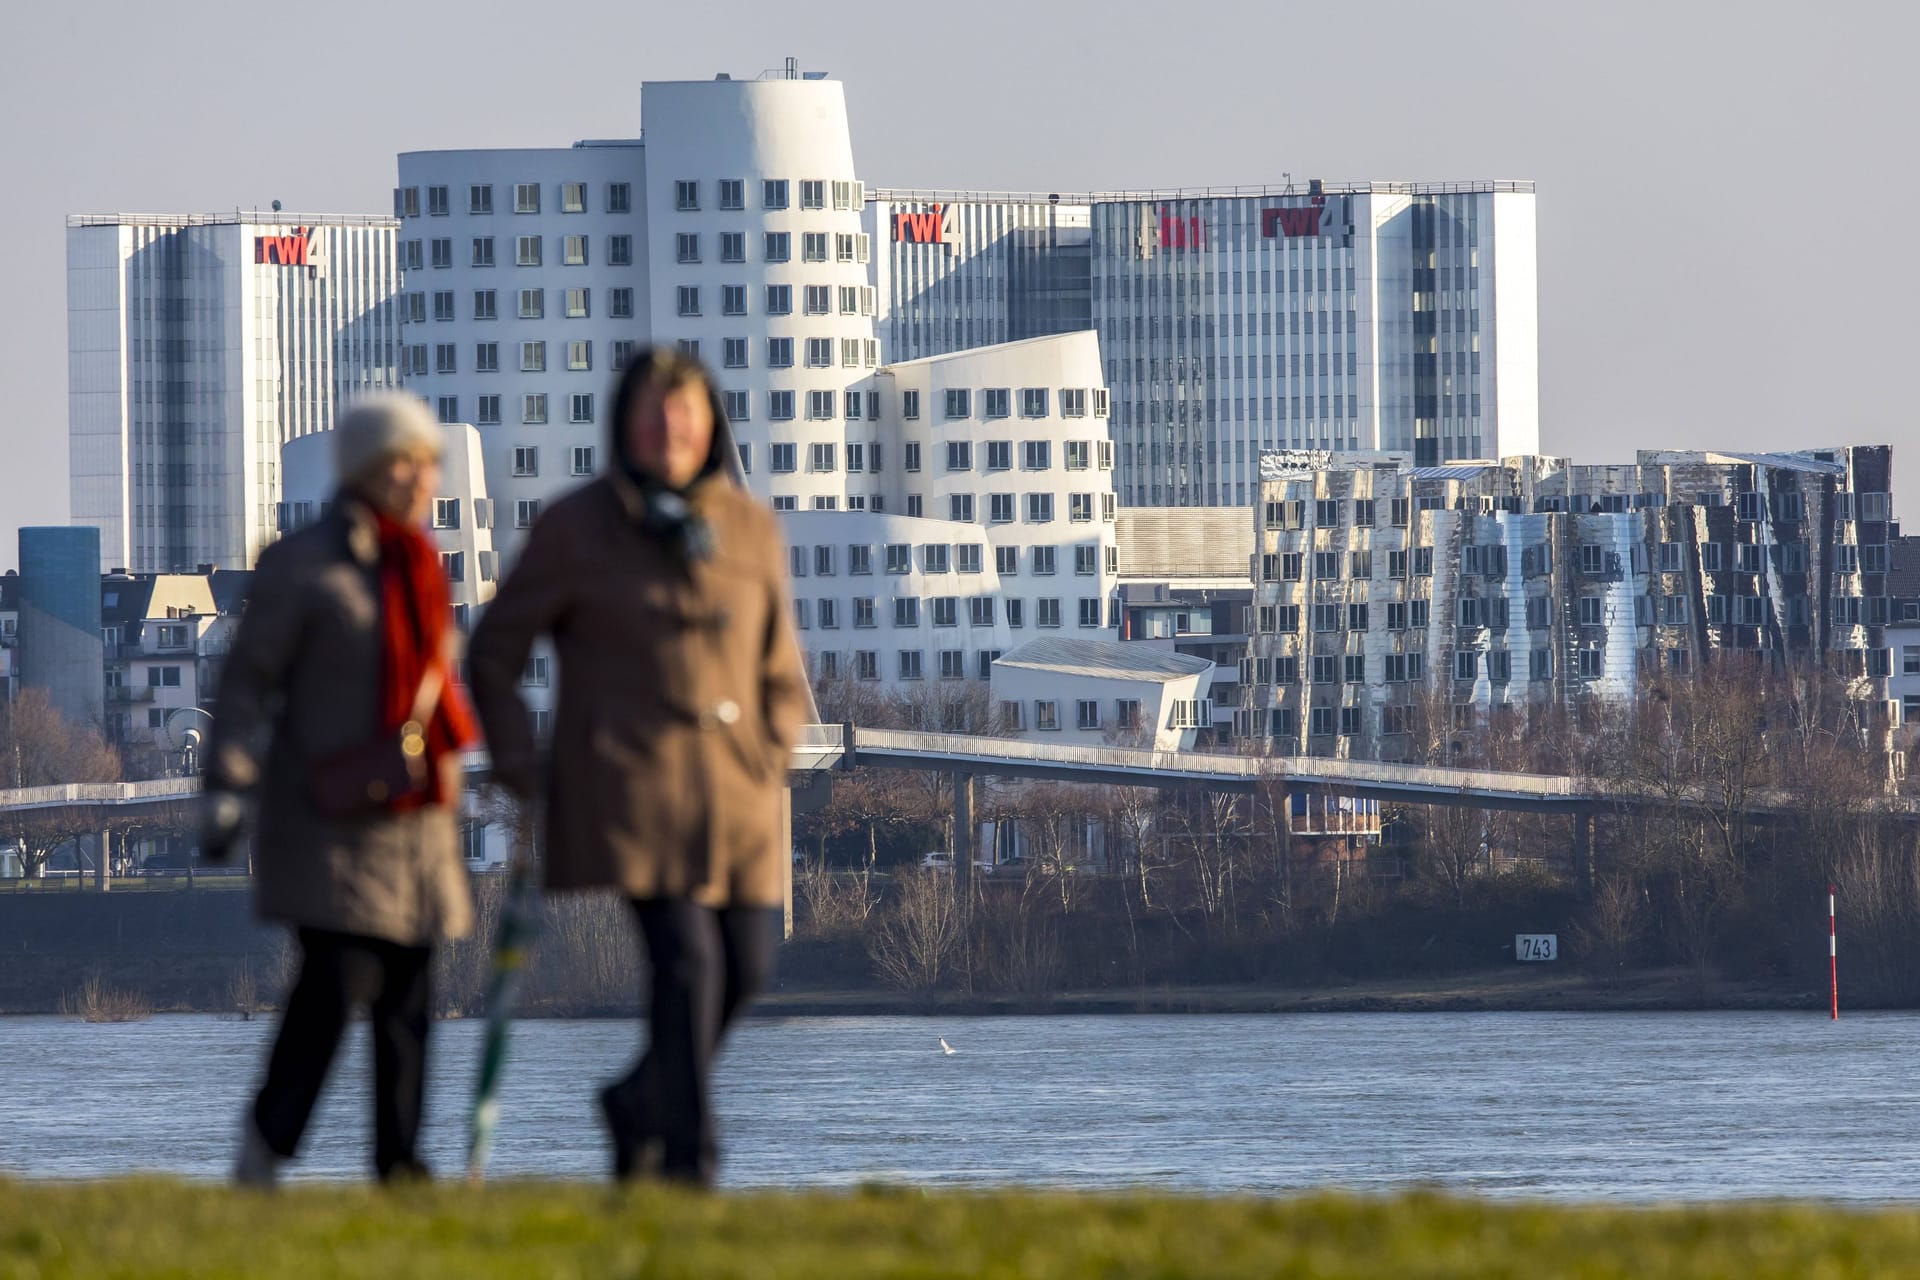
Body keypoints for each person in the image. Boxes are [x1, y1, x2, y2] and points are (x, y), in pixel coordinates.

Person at [468, 348, 808, 1186]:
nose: (670, 430)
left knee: (747, 964)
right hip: (630, 790)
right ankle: (692, 1164)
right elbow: (493, 654)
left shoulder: (750, 527)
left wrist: (773, 746)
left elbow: (779, 666)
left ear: (711, 425)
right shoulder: (576, 527)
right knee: (686, 962)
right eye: (653, 414)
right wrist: (520, 764)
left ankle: (637, 1101)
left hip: (737, 793)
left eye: (685, 414)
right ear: (624, 424)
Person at [201, 392, 480, 1187]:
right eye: (414, 461)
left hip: (414, 818)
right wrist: (226, 785)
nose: (428, 477)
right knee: (332, 990)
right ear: (373, 469)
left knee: (410, 1002)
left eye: (431, 463)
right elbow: (247, 684)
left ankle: (400, 1168)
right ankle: (265, 1151)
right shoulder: (303, 565)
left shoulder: (422, 565)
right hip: (326, 817)